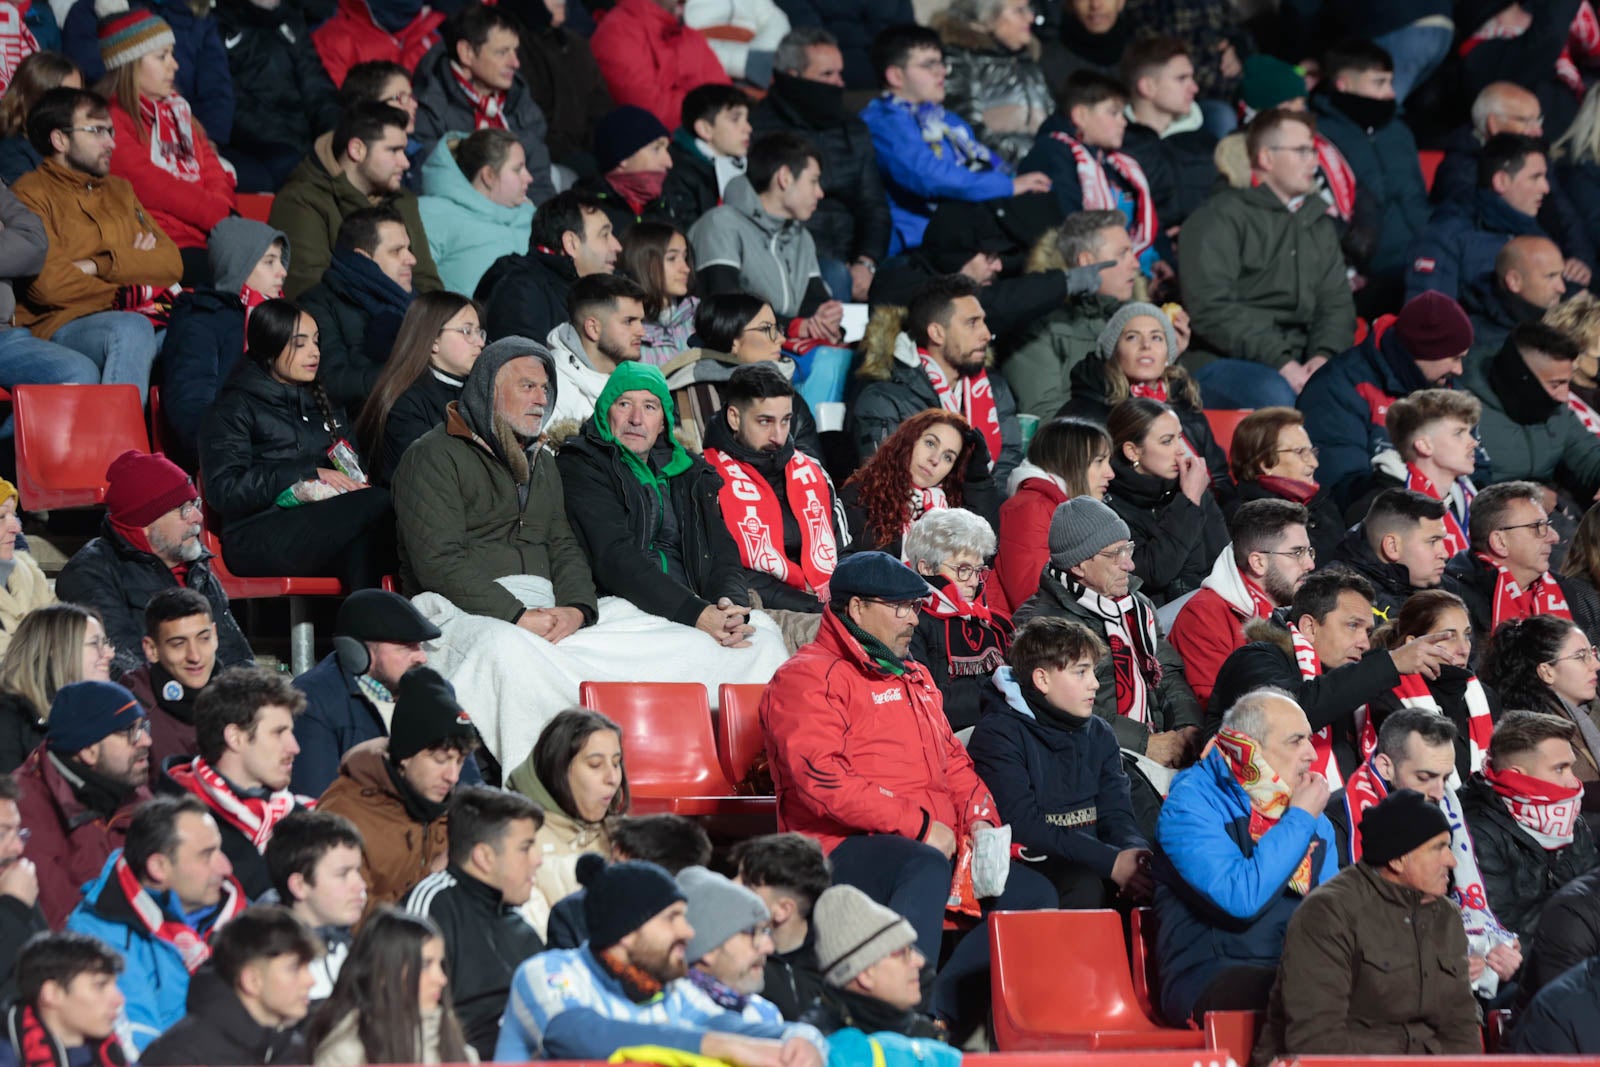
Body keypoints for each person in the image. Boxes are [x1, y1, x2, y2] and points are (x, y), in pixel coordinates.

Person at [760, 550, 1057, 1030]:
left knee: (1034, 893)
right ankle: (906, 1015)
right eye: (898, 607)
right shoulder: (806, 677)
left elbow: (954, 763)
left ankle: (936, 1015)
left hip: (925, 845)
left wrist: (979, 818)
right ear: (856, 609)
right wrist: (920, 828)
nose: (911, 619)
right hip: (836, 849)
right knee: (922, 863)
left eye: (915, 607)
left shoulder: (913, 676)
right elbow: (820, 780)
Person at [496, 856, 824, 1063]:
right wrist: (715, 1046)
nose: (688, 931)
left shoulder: (670, 991)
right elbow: (577, 1033)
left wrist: (799, 1039)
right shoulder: (551, 971)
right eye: (672, 918)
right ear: (628, 931)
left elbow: (728, 1025)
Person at [556, 360, 779, 651]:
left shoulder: (690, 473)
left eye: (650, 407)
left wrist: (730, 606)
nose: (636, 418)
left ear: (663, 422)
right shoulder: (581, 465)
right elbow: (614, 557)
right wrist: (696, 614)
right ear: (604, 411)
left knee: (764, 646)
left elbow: (722, 552)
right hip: (624, 605)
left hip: (697, 607)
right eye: (624, 404)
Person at [1152, 687, 1339, 1026]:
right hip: (1209, 976)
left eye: (1310, 740)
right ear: (1249, 746)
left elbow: (1334, 918)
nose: (1311, 754)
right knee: (1311, 997)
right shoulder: (1191, 803)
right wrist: (1298, 820)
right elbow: (1239, 898)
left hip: (1295, 973)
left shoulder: (1311, 816)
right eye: (1296, 741)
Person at [1252, 789, 1478, 1060]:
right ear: (1397, 859)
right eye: (1438, 849)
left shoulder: (1447, 916)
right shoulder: (1328, 912)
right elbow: (1315, 1041)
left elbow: (1461, 1029)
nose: (1452, 861)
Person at [200, 299, 395, 591]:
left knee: (367, 545)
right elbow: (224, 491)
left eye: (316, 341)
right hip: (257, 532)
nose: (314, 352)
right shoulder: (234, 407)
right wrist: (305, 472)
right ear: (270, 346)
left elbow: (354, 466)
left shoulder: (325, 403)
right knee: (382, 504)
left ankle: (367, 634)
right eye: (299, 343)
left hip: (326, 522)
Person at [1209, 571, 1456, 788]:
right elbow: (1296, 712)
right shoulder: (1255, 659)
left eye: (1368, 631)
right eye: (1352, 626)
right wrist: (1390, 664)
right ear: (1309, 628)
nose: (1364, 642)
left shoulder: (1348, 680)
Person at [1179, 107, 1356, 410]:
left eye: (1312, 151)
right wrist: (1282, 361)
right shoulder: (1218, 217)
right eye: (1302, 151)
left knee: (1358, 395)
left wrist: (1322, 357)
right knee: (1278, 398)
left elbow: (1336, 303)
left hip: (1302, 361)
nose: (1314, 161)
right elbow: (1210, 307)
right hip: (1224, 360)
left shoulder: (1318, 223)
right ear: (1266, 158)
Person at [968, 616, 1152, 908]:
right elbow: (1022, 824)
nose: (1094, 684)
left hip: (1095, 858)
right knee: (1084, 885)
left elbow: (1117, 814)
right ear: (1042, 679)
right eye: (1081, 672)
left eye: (1093, 671)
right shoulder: (998, 734)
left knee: (1158, 879)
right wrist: (1110, 861)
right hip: (1033, 862)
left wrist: (1134, 856)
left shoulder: (1100, 732)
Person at [11, 86, 179, 401]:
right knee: (130, 329)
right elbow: (48, 284)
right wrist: (131, 283)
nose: (111, 143)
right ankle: (116, 449)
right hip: (60, 325)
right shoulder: (30, 194)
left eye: (111, 131)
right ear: (59, 139)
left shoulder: (121, 191)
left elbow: (171, 262)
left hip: (132, 312)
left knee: (197, 331)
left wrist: (99, 265)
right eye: (98, 131)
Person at [1013, 497, 1202, 764]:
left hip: (1160, 748)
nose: (1130, 565)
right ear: (1078, 565)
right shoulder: (1041, 625)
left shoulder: (1136, 606)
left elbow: (1167, 674)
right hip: (1099, 758)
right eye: (1116, 554)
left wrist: (1187, 729)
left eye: (1129, 549)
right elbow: (1063, 709)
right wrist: (1145, 744)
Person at [66, 793, 245, 1050]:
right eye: (206, 855)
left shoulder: (237, 910)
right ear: (159, 867)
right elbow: (142, 1049)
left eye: (220, 850)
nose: (225, 867)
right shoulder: (99, 940)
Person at [57, 450, 252, 679]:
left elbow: (234, 655)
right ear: (145, 525)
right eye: (184, 510)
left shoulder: (197, 566)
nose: (198, 518)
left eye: (195, 504)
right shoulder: (89, 574)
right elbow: (127, 668)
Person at [859, 23, 1048, 254]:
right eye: (929, 65)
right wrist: (1007, 186)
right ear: (896, 75)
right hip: (918, 245)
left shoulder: (947, 120)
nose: (942, 72)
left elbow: (985, 164)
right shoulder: (882, 121)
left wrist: (1016, 181)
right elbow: (927, 176)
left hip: (968, 231)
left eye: (941, 62)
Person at [315, 667, 478, 913]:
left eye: (460, 761)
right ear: (405, 755)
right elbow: (344, 920)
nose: (453, 776)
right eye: (441, 760)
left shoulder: (456, 813)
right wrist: (430, 884)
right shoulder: (344, 814)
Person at [96, 2, 235, 285]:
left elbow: (212, 167)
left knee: (267, 255)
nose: (175, 64)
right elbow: (152, 186)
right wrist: (219, 214)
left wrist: (223, 214)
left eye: (171, 54)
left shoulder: (180, 111)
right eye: (162, 56)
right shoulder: (111, 120)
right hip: (163, 240)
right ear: (130, 64)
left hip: (209, 233)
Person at [402, 786, 543, 1060]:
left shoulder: (522, 927)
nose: (538, 860)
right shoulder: (430, 907)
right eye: (526, 848)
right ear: (484, 857)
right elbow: (405, 1024)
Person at [1297, 292, 1474, 508]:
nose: (1459, 369)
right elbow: (1341, 489)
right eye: (1455, 358)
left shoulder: (1443, 385)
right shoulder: (1337, 388)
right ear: (1425, 350)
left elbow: (1479, 470)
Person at [753, 28, 890, 302]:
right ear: (793, 77)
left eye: (840, 73)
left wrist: (866, 262)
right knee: (834, 277)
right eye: (827, 75)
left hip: (854, 257)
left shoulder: (853, 128)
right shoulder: (757, 129)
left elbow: (873, 206)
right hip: (790, 256)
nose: (839, 84)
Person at [701, 363, 844, 617]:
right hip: (761, 611)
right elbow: (725, 570)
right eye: (765, 422)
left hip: (828, 604)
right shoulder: (705, 477)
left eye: (786, 421)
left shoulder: (813, 472)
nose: (778, 436)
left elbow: (845, 551)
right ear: (735, 417)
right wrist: (815, 607)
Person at [851, 274, 1021, 483]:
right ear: (937, 333)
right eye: (972, 323)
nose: (986, 334)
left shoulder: (996, 389)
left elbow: (1008, 467)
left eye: (983, 321)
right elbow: (887, 484)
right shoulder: (884, 400)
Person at [158, 666, 310, 900]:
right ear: (235, 737)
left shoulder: (303, 820)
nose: (294, 748)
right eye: (278, 733)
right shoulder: (169, 824)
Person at [269, 101, 441, 300]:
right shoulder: (301, 200)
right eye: (393, 150)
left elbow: (426, 281)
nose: (405, 162)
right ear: (357, 150)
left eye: (404, 150)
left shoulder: (403, 200)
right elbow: (309, 290)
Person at [17, 679, 152, 928]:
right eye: (130, 731)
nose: (146, 741)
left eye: (144, 727)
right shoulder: (23, 810)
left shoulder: (130, 789)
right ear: (88, 750)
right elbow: (61, 922)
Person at [289, 590, 450, 798]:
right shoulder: (314, 699)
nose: (422, 657)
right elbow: (316, 802)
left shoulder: (437, 693)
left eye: (419, 645)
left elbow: (466, 784)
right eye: (406, 647)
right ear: (357, 652)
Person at [1457, 710, 1600, 945]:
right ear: (1516, 776)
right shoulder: (1476, 831)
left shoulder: (1567, 817)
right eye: (1559, 768)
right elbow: (1502, 930)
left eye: (1571, 767)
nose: (1572, 781)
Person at [1062, 301, 1230, 498]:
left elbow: (1220, 479)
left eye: (1157, 337)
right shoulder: (1089, 411)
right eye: (1132, 337)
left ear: (1168, 353)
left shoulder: (1184, 401)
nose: (1146, 345)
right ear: (1114, 352)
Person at [1432, 83, 1593, 289]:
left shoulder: (1537, 161)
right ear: (1493, 124)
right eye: (1526, 121)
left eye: (1539, 120)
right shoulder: (1461, 169)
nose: (1538, 131)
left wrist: (1580, 259)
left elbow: (1566, 217)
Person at [159, 218, 290, 467]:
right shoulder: (200, 321)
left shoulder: (284, 320)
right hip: (238, 463)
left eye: (280, 260)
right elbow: (191, 411)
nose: (282, 271)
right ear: (238, 266)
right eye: (269, 261)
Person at [1307, 41, 1429, 306]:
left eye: (1390, 82)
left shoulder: (1398, 130)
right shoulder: (1319, 136)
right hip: (1367, 270)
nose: (1390, 93)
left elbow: (1417, 196)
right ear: (1343, 83)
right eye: (1379, 82)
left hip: (1423, 255)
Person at [1168, 499, 1318, 711]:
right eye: (1297, 553)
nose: (1310, 564)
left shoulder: (1303, 609)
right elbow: (1217, 708)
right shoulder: (1204, 614)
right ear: (1258, 562)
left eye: (1309, 552)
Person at [998, 210, 1147, 419]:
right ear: (1087, 262)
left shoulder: (1138, 319)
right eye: (1122, 254)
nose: (1136, 264)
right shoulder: (1039, 325)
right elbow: (1043, 414)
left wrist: (1171, 355)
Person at [689, 132, 837, 337]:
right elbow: (725, 310)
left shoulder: (801, 237)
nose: (820, 193)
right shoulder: (721, 224)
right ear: (784, 178)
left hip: (780, 348)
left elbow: (813, 304)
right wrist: (793, 327)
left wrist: (825, 317)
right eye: (813, 181)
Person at [410, 4, 556, 210]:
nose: (515, 63)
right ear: (467, 52)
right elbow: (432, 186)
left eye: (515, 51)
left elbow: (540, 183)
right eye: (502, 52)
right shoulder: (430, 106)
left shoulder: (521, 103)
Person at [139, 905, 322, 1067]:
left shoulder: (295, 1051)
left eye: (308, 966)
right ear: (252, 981)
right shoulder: (180, 1056)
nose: (310, 980)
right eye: (294, 968)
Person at [505, 709, 625, 940]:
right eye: (595, 764)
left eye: (617, 763)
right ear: (558, 768)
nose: (612, 778)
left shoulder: (622, 835)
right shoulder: (517, 838)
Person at [304, 907, 474, 1065]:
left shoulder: (460, 1049)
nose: (441, 979)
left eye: (441, 964)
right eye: (425, 965)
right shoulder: (345, 1054)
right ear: (383, 973)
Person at [1101, 397, 1228, 606]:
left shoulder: (1192, 487)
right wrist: (1188, 502)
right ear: (1132, 451)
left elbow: (1223, 558)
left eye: (1180, 437)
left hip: (1209, 607)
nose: (1181, 450)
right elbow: (1152, 573)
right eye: (1167, 441)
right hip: (1157, 619)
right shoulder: (1111, 506)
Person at [1364, 591, 1500, 784]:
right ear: (1414, 644)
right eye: (1449, 637)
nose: (1464, 649)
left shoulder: (1485, 697)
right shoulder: (1387, 700)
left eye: (1467, 635)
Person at [1479, 616, 1600, 828]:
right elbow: (1562, 796)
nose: (1596, 665)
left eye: (1593, 653)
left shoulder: (1594, 708)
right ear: (1546, 671)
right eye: (1581, 657)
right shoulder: (1527, 732)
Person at [1447, 480, 1600, 646]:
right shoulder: (1453, 601)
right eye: (1537, 527)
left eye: (1547, 524)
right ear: (1500, 542)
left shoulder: (1578, 595)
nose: (1554, 537)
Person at [1019, 70, 1157, 253]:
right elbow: (1067, 223)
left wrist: (1159, 258)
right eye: (1113, 113)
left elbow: (1144, 215)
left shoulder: (1117, 163)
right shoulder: (1052, 154)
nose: (1123, 122)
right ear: (1080, 116)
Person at [355, 291, 485, 485]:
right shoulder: (405, 402)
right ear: (434, 340)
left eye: (479, 331)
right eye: (467, 331)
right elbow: (436, 473)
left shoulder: (478, 390)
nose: (480, 342)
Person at [1407, 134, 1554, 303]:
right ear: (1501, 181)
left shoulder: (1536, 234)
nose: (1546, 188)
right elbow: (1429, 315)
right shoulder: (1445, 237)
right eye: (1535, 177)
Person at [213, 0, 340, 193]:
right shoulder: (218, 24)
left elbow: (318, 87)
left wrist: (334, 132)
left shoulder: (290, 17)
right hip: (261, 147)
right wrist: (292, 145)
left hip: (302, 142)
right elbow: (227, 103)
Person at [672, 294, 823, 456]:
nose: (781, 339)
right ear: (731, 338)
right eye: (767, 329)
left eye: (777, 329)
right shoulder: (681, 399)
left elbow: (812, 471)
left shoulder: (790, 400)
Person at [298, 206, 417, 410]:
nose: (412, 260)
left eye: (409, 249)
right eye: (397, 251)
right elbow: (332, 382)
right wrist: (411, 374)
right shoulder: (316, 305)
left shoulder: (414, 301)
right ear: (363, 259)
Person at [905, 509, 1011, 730]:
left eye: (978, 570)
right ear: (926, 568)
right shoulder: (911, 621)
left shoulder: (989, 622)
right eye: (963, 569)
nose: (973, 581)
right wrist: (1002, 690)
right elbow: (928, 699)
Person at [542, 813, 713, 951]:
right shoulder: (573, 913)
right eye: (612, 861)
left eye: (619, 867)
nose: (609, 874)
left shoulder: (695, 925)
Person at [1464, 322, 1600, 494]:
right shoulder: (1464, 412)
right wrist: (1528, 496)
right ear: (1523, 378)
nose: (1565, 395)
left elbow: (1587, 454)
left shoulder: (1555, 409)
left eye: (1567, 382)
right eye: (1556, 384)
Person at [995, 416, 1113, 611]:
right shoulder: (1030, 508)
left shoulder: (1061, 508)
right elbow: (1033, 600)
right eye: (1099, 461)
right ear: (1068, 463)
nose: (1110, 473)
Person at [801, 884, 943, 1047]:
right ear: (865, 974)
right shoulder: (820, 1051)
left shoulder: (921, 1032)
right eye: (903, 953)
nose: (920, 961)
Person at [838, 409, 987, 559]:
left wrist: (979, 479)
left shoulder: (952, 505)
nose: (935, 459)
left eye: (948, 457)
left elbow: (981, 552)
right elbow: (876, 569)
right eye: (930, 443)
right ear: (909, 440)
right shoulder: (862, 493)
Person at [477, 188, 620, 343]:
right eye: (605, 235)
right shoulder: (521, 288)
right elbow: (523, 363)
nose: (617, 246)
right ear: (571, 243)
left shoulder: (586, 290)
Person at [1358, 390, 1482, 557]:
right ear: (1424, 445)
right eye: (1459, 433)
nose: (1473, 442)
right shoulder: (1379, 507)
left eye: (1470, 432)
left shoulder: (1469, 498)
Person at [416, 130, 534, 299]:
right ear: (489, 176)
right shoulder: (432, 214)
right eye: (517, 169)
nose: (529, 178)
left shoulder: (533, 217)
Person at [264, 809, 367, 1001]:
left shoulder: (358, 952)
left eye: (358, 871)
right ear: (300, 886)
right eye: (343, 874)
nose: (360, 885)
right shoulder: (266, 964)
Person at [933, 0, 1049, 168]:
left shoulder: (1028, 61)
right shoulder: (961, 62)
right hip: (1000, 180)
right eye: (1019, 10)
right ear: (985, 18)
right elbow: (964, 131)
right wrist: (1026, 165)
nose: (1031, 17)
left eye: (1030, 8)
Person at [498, 0, 609, 173]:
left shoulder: (576, 45)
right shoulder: (512, 50)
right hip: (543, 160)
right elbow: (526, 123)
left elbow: (601, 108)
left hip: (587, 150)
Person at [0, 605, 112, 776]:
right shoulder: (7, 718)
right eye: (94, 643)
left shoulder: (102, 709)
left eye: (105, 643)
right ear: (55, 650)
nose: (109, 654)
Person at [1224, 407, 1346, 565]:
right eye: (1300, 452)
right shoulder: (1246, 518)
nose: (1314, 463)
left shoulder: (1323, 504)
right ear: (1266, 463)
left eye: (1312, 452)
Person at [728, 833, 828, 1023]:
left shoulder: (833, 962)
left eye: (748, 884)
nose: (731, 885)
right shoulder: (727, 957)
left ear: (783, 910)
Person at [120, 589, 217, 782]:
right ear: (151, 649)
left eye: (203, 638)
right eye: (178, 644)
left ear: (215, 636)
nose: (195, 656)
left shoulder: (241, 698)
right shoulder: (130, 707)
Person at [588, 0, 729, 131]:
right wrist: (704, 102)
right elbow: (650, 115)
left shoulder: (690, 36)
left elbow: (727, 99)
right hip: (660, 149)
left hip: (706, 141)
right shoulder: (615, 33)